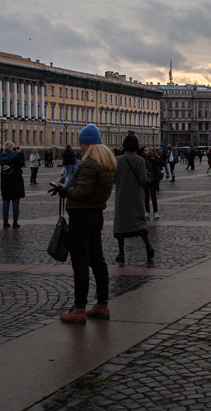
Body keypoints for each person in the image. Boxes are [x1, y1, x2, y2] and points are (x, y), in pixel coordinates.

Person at [53, 124, 115, 323]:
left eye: (82, 144)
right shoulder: (105, 162)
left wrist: (65, 191)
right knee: (97, 259)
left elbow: (82, 193)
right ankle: (102, 305)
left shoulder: (89, 164)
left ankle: (79, 309)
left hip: (82, 216)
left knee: (80, 262)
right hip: (96, 214)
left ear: (87, 143)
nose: (80, 148)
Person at [113, 134, 155, 264]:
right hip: (136, 196)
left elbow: (114, 179)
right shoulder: (140, 160)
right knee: (139, 222)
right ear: (136, 146)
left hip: (121, 196)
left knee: (121, 224)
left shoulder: (118, 160)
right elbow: (143, 180)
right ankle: (148, 246)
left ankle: (121, 253)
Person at [0, 141, 25, 229]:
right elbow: (22, 163)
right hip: (15, 180)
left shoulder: (1, 157)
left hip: (5, 180)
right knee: (15, 201)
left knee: (5, 201)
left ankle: (5, 221)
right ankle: (15, 221)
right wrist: (20, 153)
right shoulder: (15, 157)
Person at [141, 146, 162, 218]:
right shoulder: (142, 160)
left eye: (148, 150)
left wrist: (155, 158)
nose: (148, 151)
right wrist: (144, 171)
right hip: (146, 180)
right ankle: (147, 211)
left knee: (154, 196)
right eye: (146, 150)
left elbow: (161, 163)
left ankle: (155, 211)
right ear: (143, 153)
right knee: (146, 197)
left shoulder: (152, 159)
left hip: (153, 180)